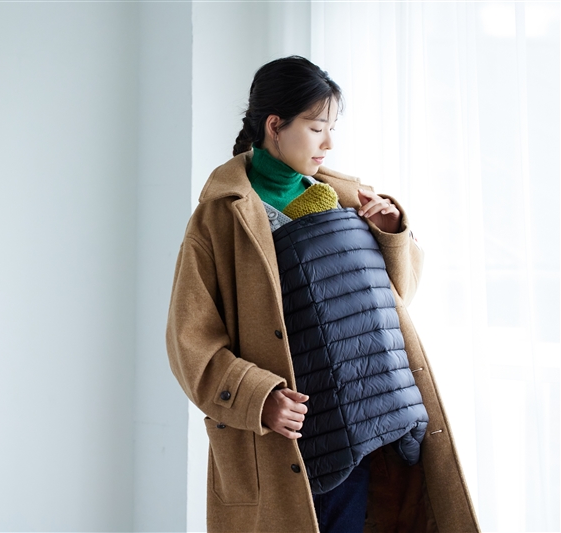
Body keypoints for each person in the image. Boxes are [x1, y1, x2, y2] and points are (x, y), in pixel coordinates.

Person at [166, 56, 480, 533]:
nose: (328, 143)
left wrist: (392, 234)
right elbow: (190, 343)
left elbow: (397, 299)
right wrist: (258, 397)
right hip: (289, 436)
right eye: (316, 129)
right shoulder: (220, 220)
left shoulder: (347, 198)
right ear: (275, 125)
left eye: (331, 129)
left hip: (373, 421)